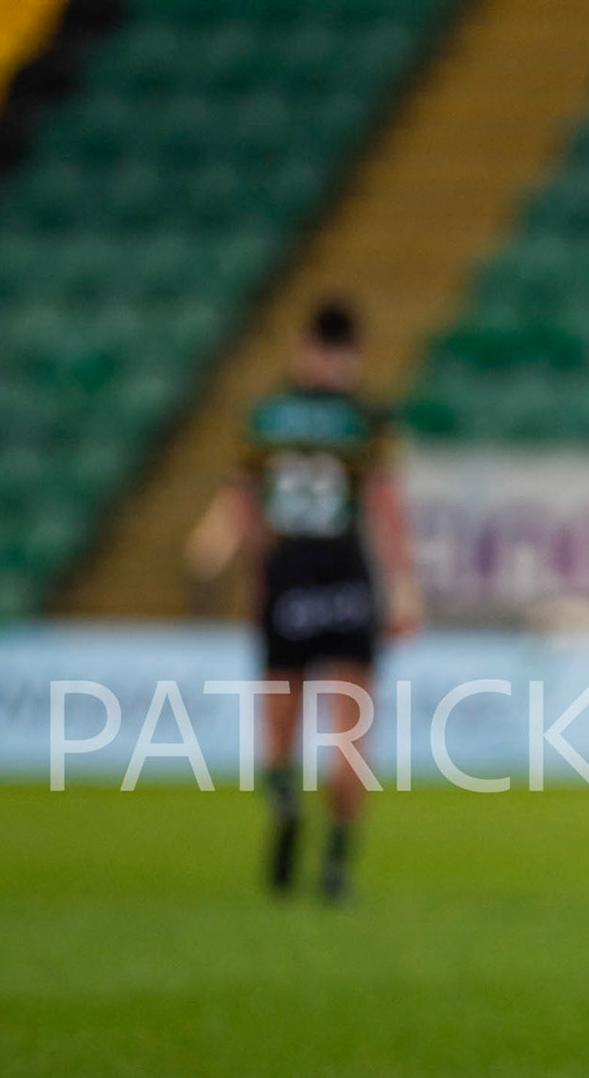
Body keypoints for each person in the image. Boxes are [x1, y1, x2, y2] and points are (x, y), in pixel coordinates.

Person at [185, 299, 422, 900]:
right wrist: (403, 586)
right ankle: (338, 861)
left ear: (303, 346)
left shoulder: (267, 416)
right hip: (346, 572)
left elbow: (243, 503)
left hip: (287, 571)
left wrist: (257, 575)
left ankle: (285, 801)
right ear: (353, 352)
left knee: (280, 723)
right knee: (351, 731)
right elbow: (385, 505)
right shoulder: (366, 417)